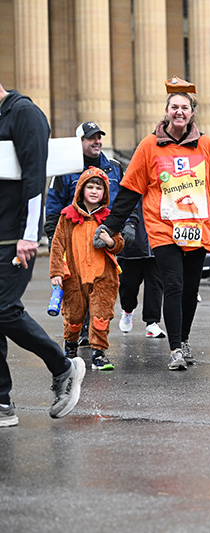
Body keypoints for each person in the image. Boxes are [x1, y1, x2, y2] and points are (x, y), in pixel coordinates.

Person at [96, 76, 210, 370]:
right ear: (166, 112)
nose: (179, 112)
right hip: (163, 229)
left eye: (185, 108)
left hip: (196, 228)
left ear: (192, 113)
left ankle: (185, 338)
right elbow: (130, 191)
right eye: (174, 107)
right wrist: (110, 227)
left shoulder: (205, 145)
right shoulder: (149, 146)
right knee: (174, 286)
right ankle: (175, 348)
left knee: (191, 289)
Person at [0, 81, 85, 426]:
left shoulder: (25, 114)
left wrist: (29, 234)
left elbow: (35, 178)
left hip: (15, 238)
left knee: (4, 309)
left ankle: (63, 367)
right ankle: (2, 402)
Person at [45, 121, 126, 347]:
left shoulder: (115, 167)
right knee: (77, 291)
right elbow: (54, 204)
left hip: (104, 241)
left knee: (100, 289)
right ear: (79, 142)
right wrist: (54, 237)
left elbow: (124, 202)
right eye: (91, 138)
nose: (97, 142)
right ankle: (79, 333)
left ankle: (94, 338)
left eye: (99, 137)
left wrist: (124, 230)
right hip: (74, 243)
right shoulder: (65, 169)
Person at [50, 168, 125, 371]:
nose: (94, 191)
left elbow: (119, 243)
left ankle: (99, 353)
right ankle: (71, 349)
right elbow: (58, 245)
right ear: (81, 190)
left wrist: (110, 242)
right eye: (89, 186)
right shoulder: (67, 217)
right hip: (74, 276)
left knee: (101, 315)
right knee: (74, 316)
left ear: (105, 193)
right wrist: (56, 272)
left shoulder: (109, 218)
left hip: (103, 276)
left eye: (98, 188)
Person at [117, 199, 165, 339]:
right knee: (128, 286)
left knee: (155, 285)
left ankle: (152, 322)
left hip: (157, 244)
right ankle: (127, 310)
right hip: (132, 246)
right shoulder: (130, 182)